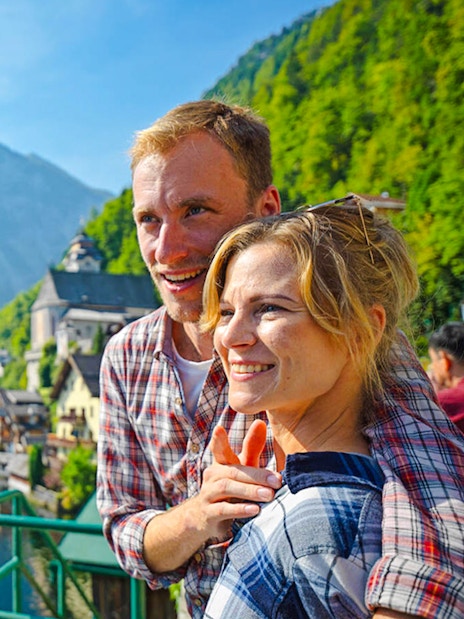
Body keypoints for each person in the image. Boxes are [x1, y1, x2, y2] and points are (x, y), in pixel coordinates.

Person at [96, 100, 464, 618]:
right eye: (148, 220)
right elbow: (123, 527)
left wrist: (402, 607)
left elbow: (431, 478)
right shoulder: (126, 356)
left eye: (194, 211)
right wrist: (198, 516)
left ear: (266, 209)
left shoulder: (336, 329)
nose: (167, 249)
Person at [201, 203, 417, 617]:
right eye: (227, 311)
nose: (229, 335)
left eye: (269, 308)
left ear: (361, 332)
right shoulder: (365, 494)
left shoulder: (316, 524)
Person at [428, 322, 464, 433]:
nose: (432, 368)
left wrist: (431, 395)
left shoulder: (444, 402)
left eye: (433, 361)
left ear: (444, 360)